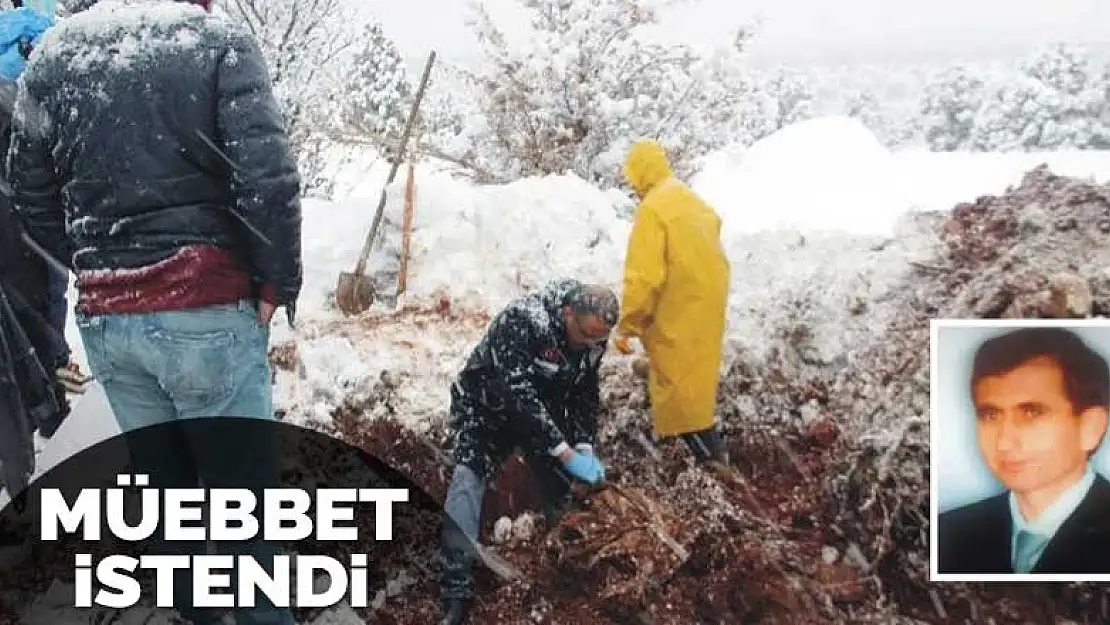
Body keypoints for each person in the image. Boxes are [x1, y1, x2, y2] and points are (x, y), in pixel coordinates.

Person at [7, 0, 302, 622]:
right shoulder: (216, 41)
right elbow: (267, 177)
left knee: (168, 492)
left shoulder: (54, 56)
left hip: (111, 321)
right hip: (207, 305)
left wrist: (92, 266)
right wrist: (276, 279)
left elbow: (28, 195)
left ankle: (195, 613)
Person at [439, 278, 615, 625]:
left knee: (563, 492)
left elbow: (584, 391)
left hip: (543, 408)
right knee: (467, 479)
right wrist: (563, 450)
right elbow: (516, 392)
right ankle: (455, 591)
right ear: (567, 315)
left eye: (599, 340)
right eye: (586, 338)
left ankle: (567, 571)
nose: (591, 346)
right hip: (487, 404)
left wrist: (583, 443)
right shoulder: (522, 321)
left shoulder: (592, 335)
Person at [936, 327, 1110, 574]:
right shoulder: (946, 534)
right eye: (990, 415)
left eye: (1031, 413)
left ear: (1090, 428)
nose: (1004, 443)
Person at [612, 138, 732, 466]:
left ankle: (713, 461)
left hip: (677, 306)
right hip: (706, 303)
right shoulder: (690, 199)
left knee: (678, 390)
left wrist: (628, 324)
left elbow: (644, 277)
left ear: (637, 173)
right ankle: (687, 451)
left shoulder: (653, 208)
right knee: (694, 379)